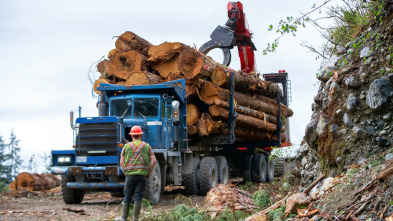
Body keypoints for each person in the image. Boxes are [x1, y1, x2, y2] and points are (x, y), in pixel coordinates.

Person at [116, 125, 157, 221]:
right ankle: (135, 218)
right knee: (138, 195)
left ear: (131, 136)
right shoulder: (147, 146)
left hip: (130, 175)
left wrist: (126, 172)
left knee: (128, 195)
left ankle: (123, 218)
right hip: (143, 175)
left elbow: (121, 162)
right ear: (140, 135)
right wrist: (149, 172)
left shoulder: (126, 146)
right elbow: (154, 160)